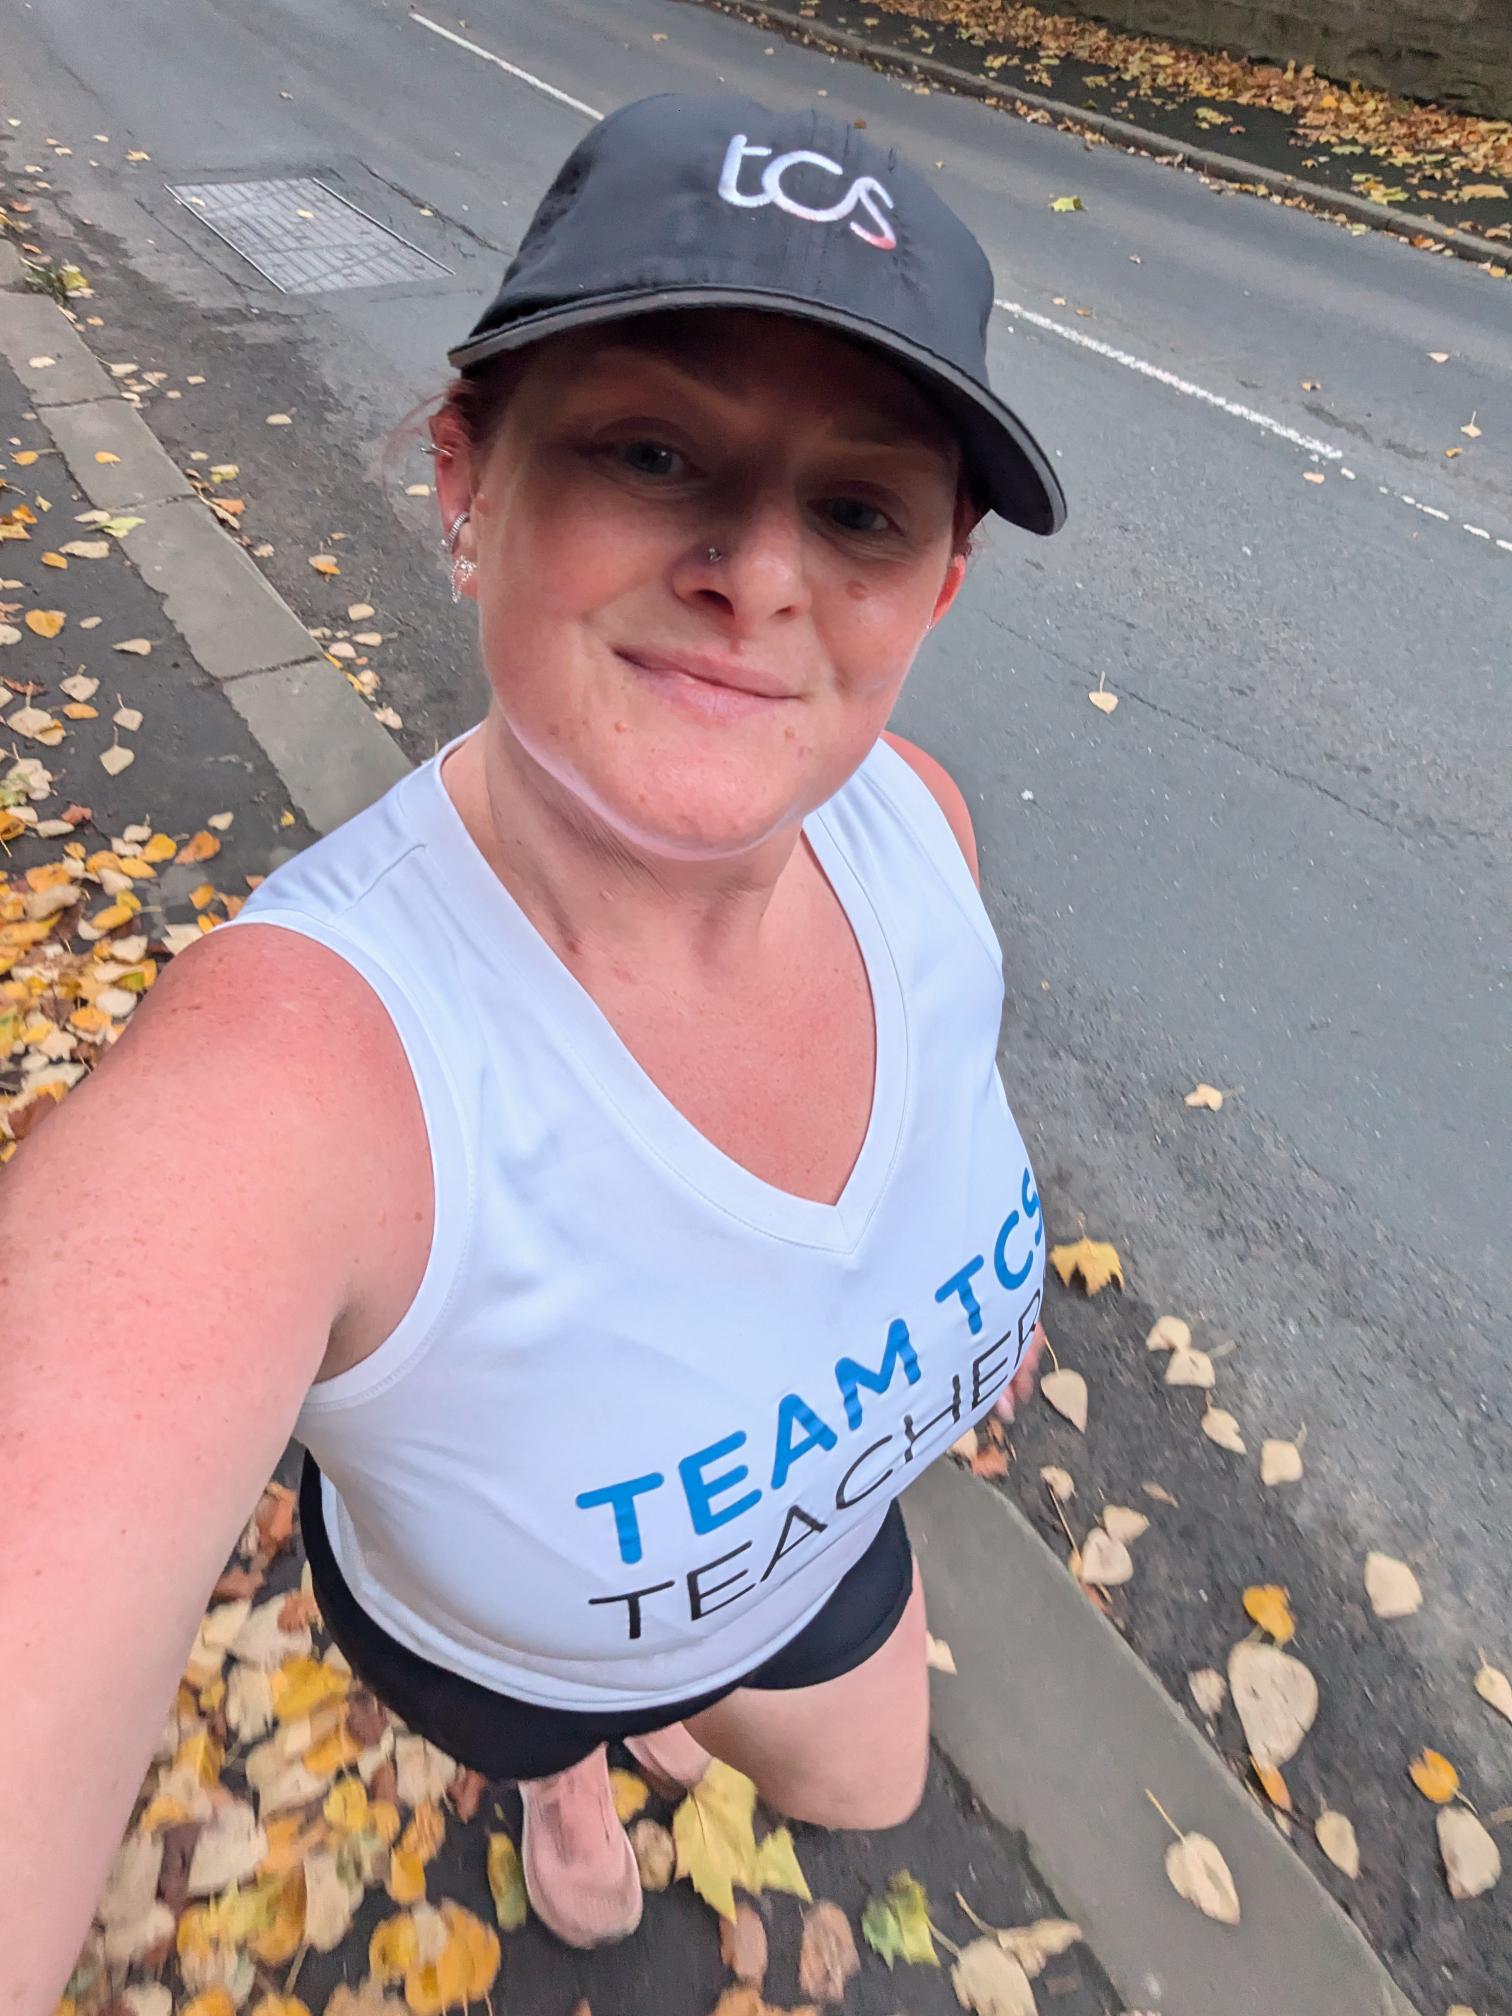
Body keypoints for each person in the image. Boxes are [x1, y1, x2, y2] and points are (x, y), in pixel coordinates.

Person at [1, 90, 1065, 2000]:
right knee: (552, 1717)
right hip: (490, 1643)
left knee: (872, 1766)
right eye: (655, 451)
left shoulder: (924, 823)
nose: (761, 571)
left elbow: (921, 1139)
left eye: (858, 507)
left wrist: (963, 1306)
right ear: (466, 480)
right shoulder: (292, 1085)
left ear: (940, 584)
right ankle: (562, 1766)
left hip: (795, 1556)